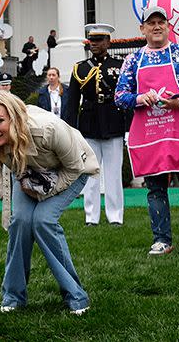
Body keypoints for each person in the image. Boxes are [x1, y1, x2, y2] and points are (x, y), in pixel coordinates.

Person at [0, 92, 98, 315]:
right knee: (20, 221)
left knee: (43, 221)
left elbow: (74, 167)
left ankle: (76, 295)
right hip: (27, 173)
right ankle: (13, 297)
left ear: (13, 118)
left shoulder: (48, 129)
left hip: (70, 171)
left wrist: (44, 192)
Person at [115, 6, 179, 258]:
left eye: (161, 22)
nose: (157, 26)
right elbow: (120, 96)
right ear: (142, 28)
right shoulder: (132, 60)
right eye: (151, 23)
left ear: (168, 26)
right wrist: (139, 98)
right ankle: (161, 239)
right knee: (155, 190)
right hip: (150, 136)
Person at [62, 23, 128, 226]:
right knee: (90, 172)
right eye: (92, 40)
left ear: (108, 42)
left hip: (112, 122)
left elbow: (126, 97)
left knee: (113, 173)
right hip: (89, 124)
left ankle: (115, 216)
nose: (94, 44)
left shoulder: (120, 65)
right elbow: (72, 102)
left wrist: (129, 126)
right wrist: (70, 129)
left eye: (99, 40)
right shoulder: (80, 68)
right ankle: (91, 216)